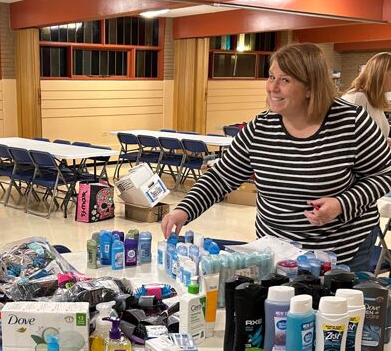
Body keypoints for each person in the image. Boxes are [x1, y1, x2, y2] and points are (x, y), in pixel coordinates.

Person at [161, 43, 391, 271]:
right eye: (271, 77)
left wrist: (342, 204)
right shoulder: (261, 127)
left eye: (285, 80)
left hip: (340, 251)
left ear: (311, 87)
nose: (273, 88)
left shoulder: (350, 122)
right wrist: (185, 210)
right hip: (277, 248)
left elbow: (384, 174)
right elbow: (222, 176)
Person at [342, 51, 391, 142]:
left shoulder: (374, 99)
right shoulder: (357, 98)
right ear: (379, 75)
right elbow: (344, 140)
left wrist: (385, 141)